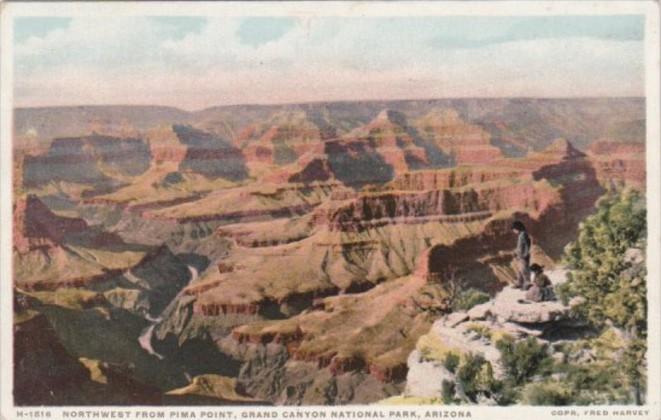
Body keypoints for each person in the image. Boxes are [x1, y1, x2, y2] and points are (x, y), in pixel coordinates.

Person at [511, 221, 531, 289]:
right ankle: (519, 283)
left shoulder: (523, 234)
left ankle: (527, 284)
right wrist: (515, 252)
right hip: (520, 256)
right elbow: (520, 247)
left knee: (524, 270)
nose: (514, 231)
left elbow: (527, 245)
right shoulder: (521, 235)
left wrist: (525, 254)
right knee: (520, 270)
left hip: (523, 256)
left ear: (517, 228)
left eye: (514, 229)